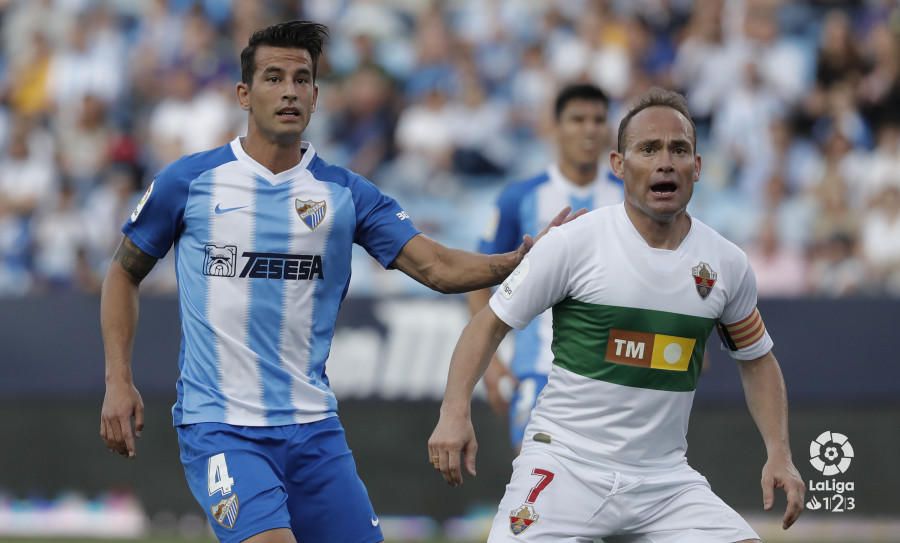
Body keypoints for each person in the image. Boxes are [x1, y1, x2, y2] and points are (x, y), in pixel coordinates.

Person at [99, 21, 579, 543]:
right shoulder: (188, 182)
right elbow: (124, 272)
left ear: (315, 95)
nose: (289, 90)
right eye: (274, 77)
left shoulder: (345, 193)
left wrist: (516, 259)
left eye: (301, 79)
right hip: (221, 427)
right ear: (244, 93)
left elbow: (437, 268)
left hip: (314, 430)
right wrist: (118, 380)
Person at [428, 88, 805, 542]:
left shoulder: (726, 264)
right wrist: (454, 412)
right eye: (649, 149)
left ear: (698, 168)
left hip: (665, 482)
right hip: (565, 466)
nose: (665, 161)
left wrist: (779, 453)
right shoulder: (572, 243)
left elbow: (758, 359)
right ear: (619, 165)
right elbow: (487, 323)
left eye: (679, 149)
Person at [468, 83, 623, 452]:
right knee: (536, 482)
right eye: (577, 119)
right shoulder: (520, 197)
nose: (589, 129)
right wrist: (488, 362)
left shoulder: (629, 197)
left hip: (616, 372)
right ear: (555, 127)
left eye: (598, 120)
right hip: (540, 368)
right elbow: (479, 277)